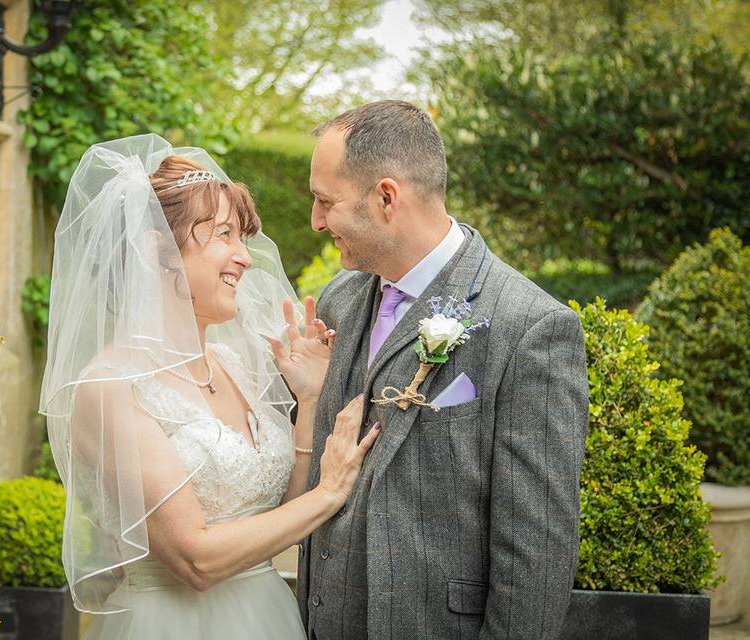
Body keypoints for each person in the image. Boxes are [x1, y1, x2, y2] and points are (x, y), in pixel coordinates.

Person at [39, 134, 380, 640]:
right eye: (223, 234)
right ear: (158, 251)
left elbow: (281, 512)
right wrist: (330, 493)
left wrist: (308, 400)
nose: (245, 257)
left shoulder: (231, 365)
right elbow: (194, 560)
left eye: (243, 236)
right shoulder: (110, 388)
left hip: (267, 616)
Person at [297, 100, 590, 639]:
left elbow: (537, 548)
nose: (315, 221)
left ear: (386, 197)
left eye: (324, 201)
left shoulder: (529, 327)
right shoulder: (340, 299)